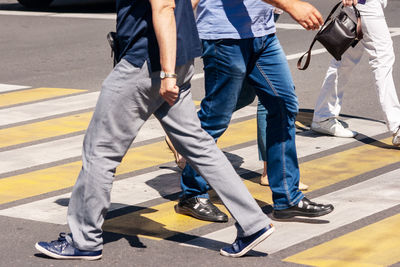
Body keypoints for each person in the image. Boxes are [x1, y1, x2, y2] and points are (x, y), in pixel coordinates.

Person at [35, 0, 277, 259]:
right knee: (199, 146)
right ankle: (253, 223)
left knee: (100, 151)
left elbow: (163, 7)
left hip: (148, 62)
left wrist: (167, 74)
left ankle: (84, 240)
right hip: (178, 55)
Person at [174, 0, 335, 224]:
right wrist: (291, 5)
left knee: (284, 105)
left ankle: (287, 199)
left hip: (262, 33)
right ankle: (192, 194)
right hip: (224, 36)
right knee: (215, 118)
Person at [311, 0, 400, 146]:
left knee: (344, 60)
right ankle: (397, 126)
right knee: (382, 59)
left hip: (360, 6)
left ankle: (323, 116)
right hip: (366, 4)